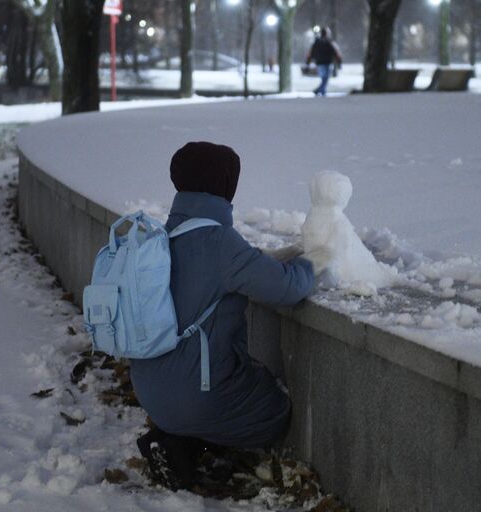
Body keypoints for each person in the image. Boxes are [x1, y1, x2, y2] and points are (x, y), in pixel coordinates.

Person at [132, 141, 315, 490]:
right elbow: (289, 290)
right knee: (275, 410)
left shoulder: (159, 236)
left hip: (149, 390)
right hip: (195, 398)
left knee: (227, 383)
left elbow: (238, 266)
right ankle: (190, 445)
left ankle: (179, 439)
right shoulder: (218, 241)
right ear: (225, 185)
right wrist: (316, 261)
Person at [305, 26, 342, 96]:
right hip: (327, 62)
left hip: (319, 63)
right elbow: (335, 52)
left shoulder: (317, 42)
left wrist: (308, 62)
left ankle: (320, 90)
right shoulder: (329, 42)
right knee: (326, 78)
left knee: (324, 78)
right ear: (327, 33)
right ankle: (321, 91)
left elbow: (311, 53)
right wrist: (339, 61)